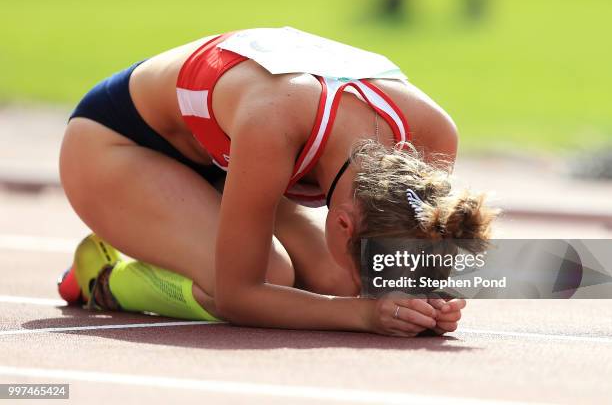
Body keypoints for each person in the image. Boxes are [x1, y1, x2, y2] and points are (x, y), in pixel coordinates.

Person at [57, 27, 496, 337]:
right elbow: (239, 297)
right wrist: (364, 314)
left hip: (228, 159)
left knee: (339, 282)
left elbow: (416, 240)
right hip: (117, 144)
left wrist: (428, 301)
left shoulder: (434, 135)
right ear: (342, 224)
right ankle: (104, 278)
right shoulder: (275, 121)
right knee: (267, 276)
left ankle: (184, 225)